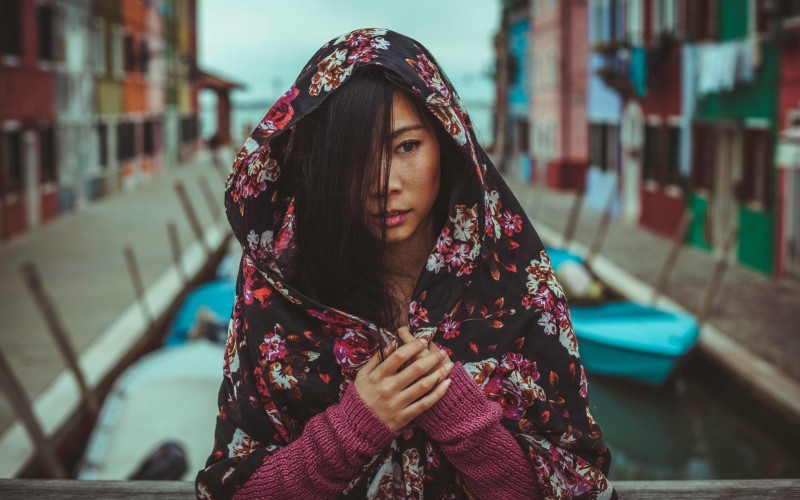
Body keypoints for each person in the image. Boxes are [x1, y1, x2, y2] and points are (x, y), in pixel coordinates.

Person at [196, 28, 615, 499]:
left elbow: (582, 485)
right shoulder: (277, 289)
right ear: (322, 166)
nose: (385, 183)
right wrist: (350, 430)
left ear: (448, 142)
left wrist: (465, 421)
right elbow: (232, 489)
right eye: (355, 158)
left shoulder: (517, 285)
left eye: (407, 147)